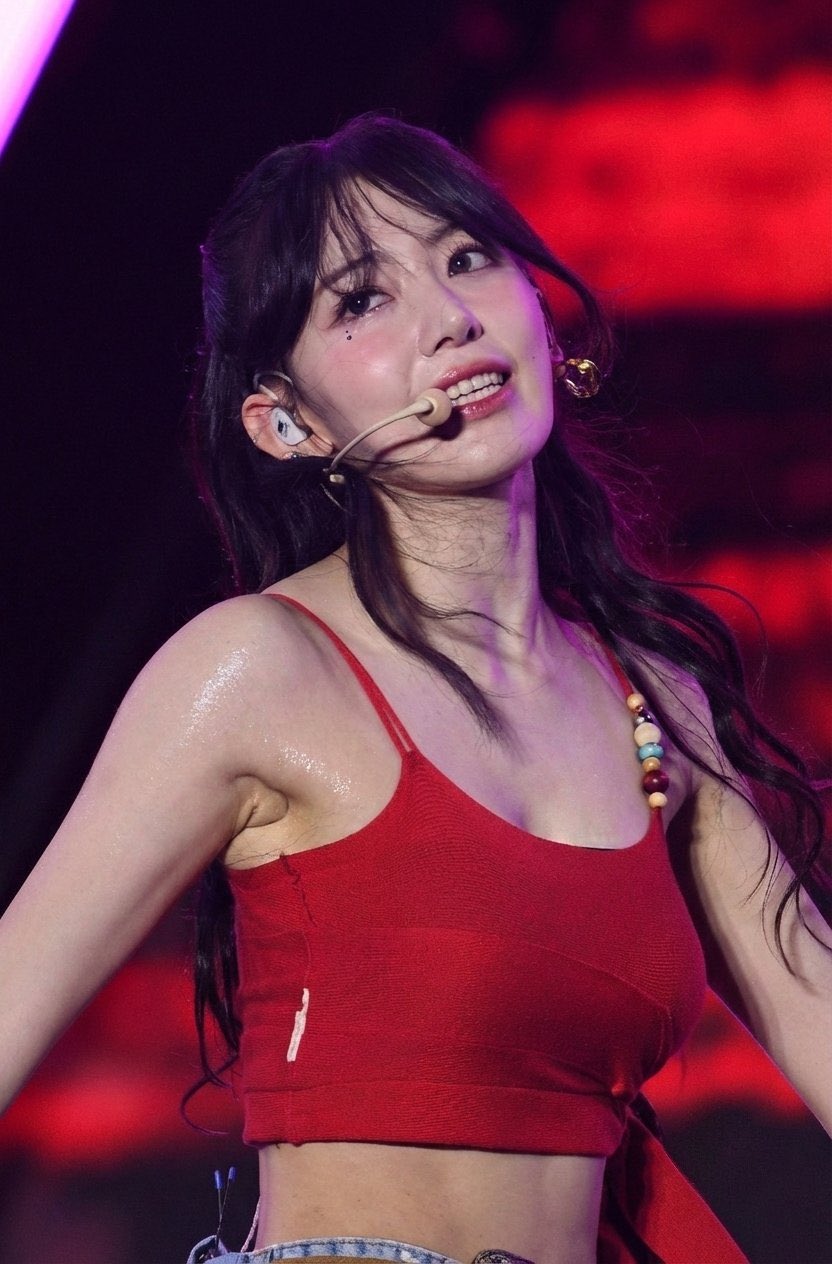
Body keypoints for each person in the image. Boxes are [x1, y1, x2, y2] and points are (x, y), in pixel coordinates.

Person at [0, 114, 829, 1264]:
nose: (449, 317)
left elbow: (812, 1006)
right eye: (361, 299)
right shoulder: (258, 670)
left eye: (467, 257)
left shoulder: (656, 707)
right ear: (285, 421)